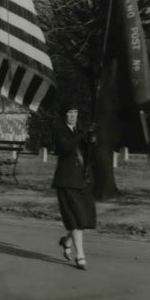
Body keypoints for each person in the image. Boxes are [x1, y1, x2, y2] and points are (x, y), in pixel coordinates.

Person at [52, 99, 97, 270]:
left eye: (75, 113)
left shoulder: (79, 130)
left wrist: (92, 140)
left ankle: (67, 241)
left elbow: (88, 152)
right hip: (66, 180)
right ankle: (80, 256)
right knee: (77, 218)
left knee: (84, 218)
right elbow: (65, 147)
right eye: (70, 113)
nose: (73, 116)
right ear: (65, 115)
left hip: (82, 180)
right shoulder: (59, 130)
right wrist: (82, 134)